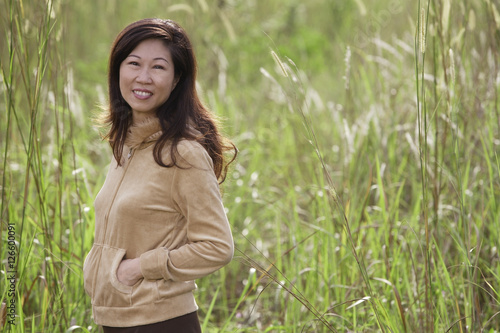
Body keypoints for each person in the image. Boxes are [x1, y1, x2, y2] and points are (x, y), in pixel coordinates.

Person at [83, 18, 237, 332]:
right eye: (134, 63)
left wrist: (138, 268)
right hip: (116, 319)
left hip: (161, 321)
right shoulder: (126, 145)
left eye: (158, 67)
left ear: (177, 78)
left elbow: (217, 245)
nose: (143, 77)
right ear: (117, 71)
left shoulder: (183, 153)